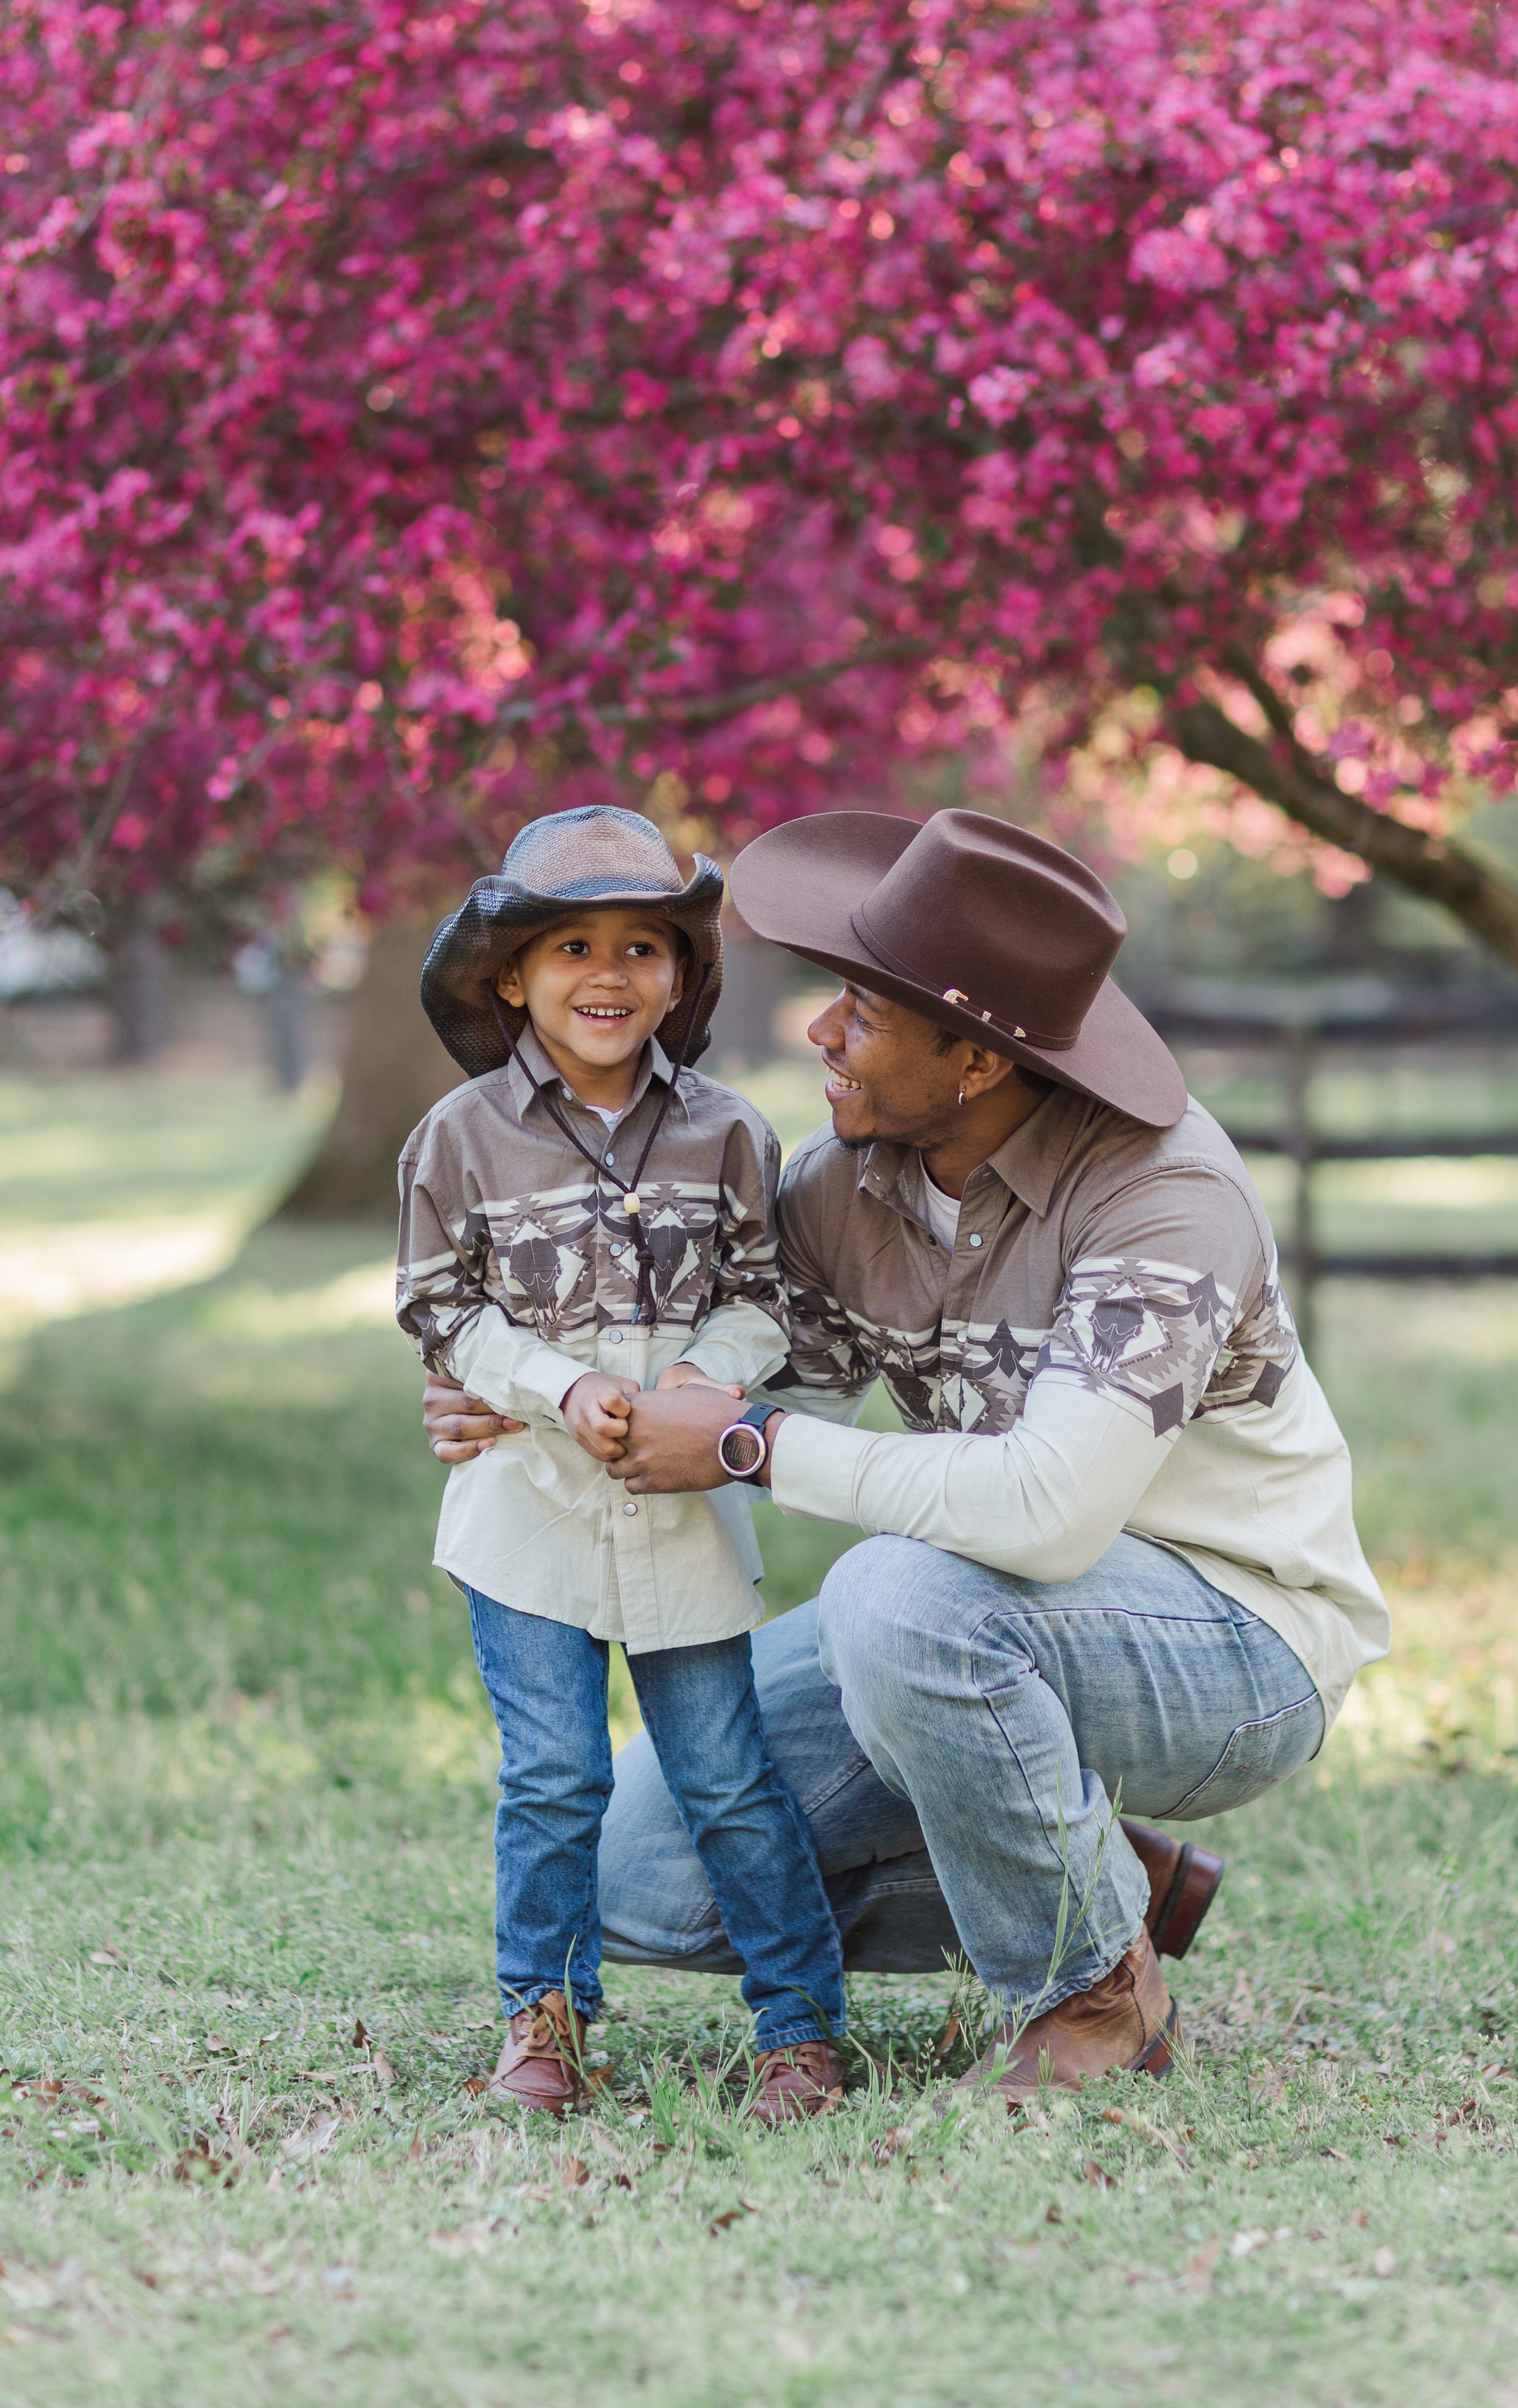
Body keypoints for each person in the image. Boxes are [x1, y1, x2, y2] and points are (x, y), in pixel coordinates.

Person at [424, 808, 1390, 2099]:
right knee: (626, 1872)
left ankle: (1093, 1986)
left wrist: (751, 1446)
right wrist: (520, 1388)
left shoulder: (1166, 1201)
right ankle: (1091, 1868)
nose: (820, 1033)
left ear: (979, 1060)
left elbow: (1047, 1518)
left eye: (864, 1017)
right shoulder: (846, 1185)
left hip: (1230, 1638)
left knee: (899, 1592)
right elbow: (725, 1368)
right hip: (978, 1616)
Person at [396, 805, 846, 2121]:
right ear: (510, 978)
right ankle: (545, 2018)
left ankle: (799, 2027)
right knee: (554, 1777)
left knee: (728, 1778)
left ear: (683, 973)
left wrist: (704, 1376)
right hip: (524, 1510)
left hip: (680, 1519)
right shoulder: (460, 1138)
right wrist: (559, 1384)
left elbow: (772, 1295)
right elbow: (439, 1310)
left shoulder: (726, 1133)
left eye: (643, 946)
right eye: (572, 947)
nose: (609, 975)